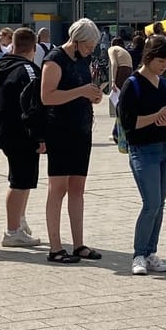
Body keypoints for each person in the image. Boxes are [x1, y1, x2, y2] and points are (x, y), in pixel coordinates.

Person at [40, 21, 104, 263]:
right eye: (88, 46)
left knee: (78, 188)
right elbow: (47, 96)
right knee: (58, 188)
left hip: (82, 129)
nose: (90, 50)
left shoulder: (83, 60)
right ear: (76, 40)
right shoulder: (55, 59)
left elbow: (85, 89)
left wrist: (94, 95)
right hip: (60, 129)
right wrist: (81, 92)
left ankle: (79, 243)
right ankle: (55, 246)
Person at [116, 36, 166, 275]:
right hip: (143, 150)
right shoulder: (132, 84)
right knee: (150, 203)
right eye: (161, 60)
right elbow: (129, 123)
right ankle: (139, 254)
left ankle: (151, 251)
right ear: (149, 57)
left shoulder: (164, 84)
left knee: (160, 204)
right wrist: (156, 116)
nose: (164, 65)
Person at [0, 28, 46, 248]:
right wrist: (40, 135)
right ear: (34, 48)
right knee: (20, 180)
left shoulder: (2, 66)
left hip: (3, 128)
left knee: (23, 178)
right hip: (22, 132)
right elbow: (34, 106)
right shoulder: (29, 71)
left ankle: (19, 221)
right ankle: (12, 230)